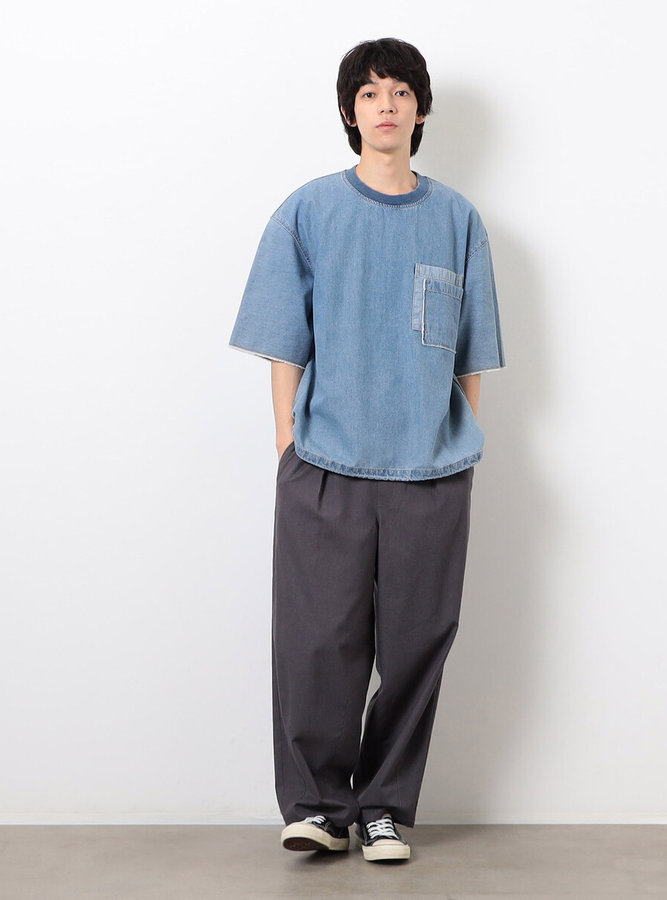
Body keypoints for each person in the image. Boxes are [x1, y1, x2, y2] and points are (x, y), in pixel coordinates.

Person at [228, 37, 505, 863]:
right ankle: (317, 806)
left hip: (431, 470)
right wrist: (288, 444)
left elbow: (470, 354)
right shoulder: (308, 211)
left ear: (420, 110)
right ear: (351, 112)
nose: (386, 104)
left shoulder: (457, 220)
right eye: (371, 92)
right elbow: (285, 342)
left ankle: (383, 807)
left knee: (418, 643)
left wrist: (458, 441)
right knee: (317, 641)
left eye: (401, 91)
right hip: (324, 464)